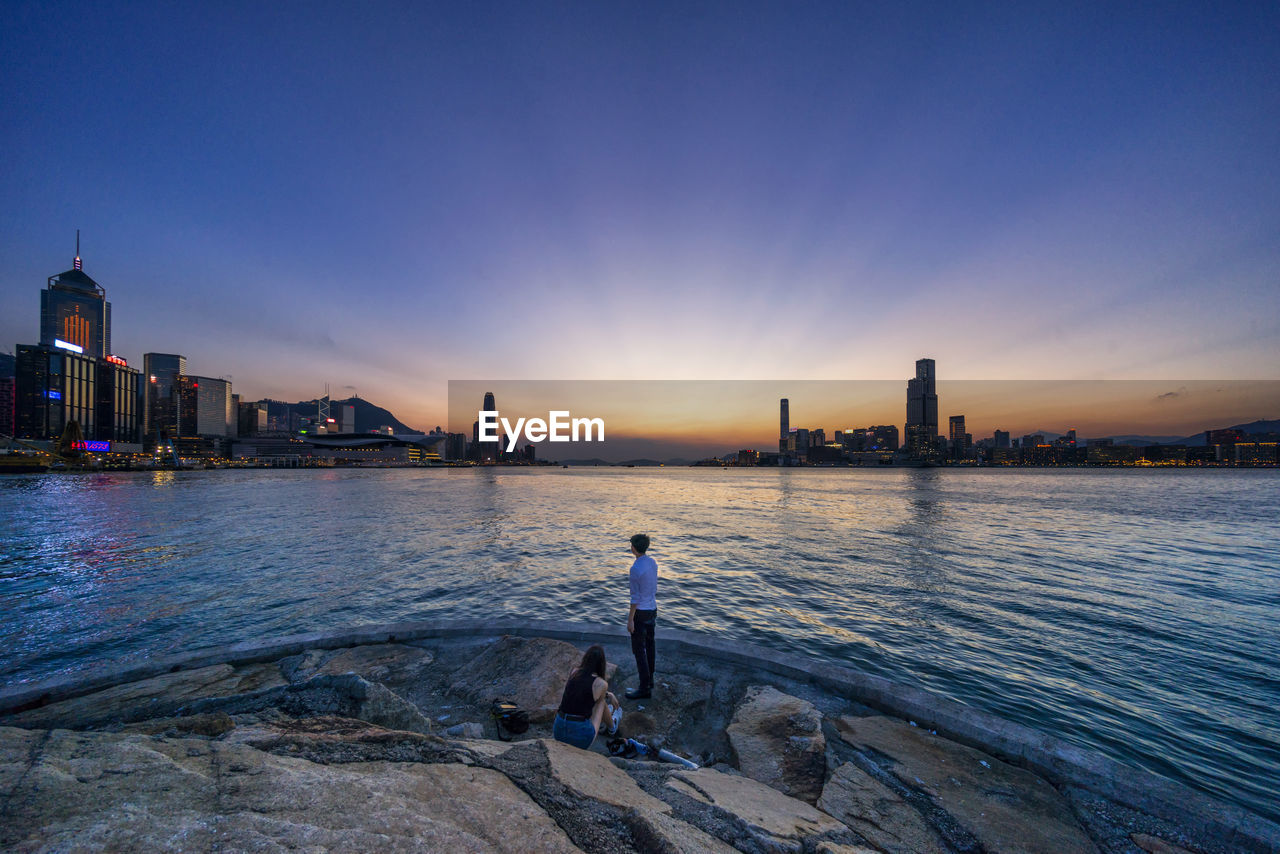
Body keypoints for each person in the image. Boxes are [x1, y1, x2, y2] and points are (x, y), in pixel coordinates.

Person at [552, 644, 621, 749]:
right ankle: (612, 728)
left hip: (559, 732)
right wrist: (609, 695)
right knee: (601, 703)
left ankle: (605, 725)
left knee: (589, 699)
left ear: (586, 658)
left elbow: (582, 690)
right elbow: (600, 698)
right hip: (581, 738)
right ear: (602, 664)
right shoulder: (601, 684)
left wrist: (608, 694)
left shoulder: (574, 672)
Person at [626, 533, 657, 699]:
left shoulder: (635, 569)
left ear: (633, 548)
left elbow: (635, 598)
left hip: (641, 612)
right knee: (650, 646)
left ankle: (644, 688)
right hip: (652, 609)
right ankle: (650, 680)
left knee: (639, 650)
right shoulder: (652, 562)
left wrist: (630, 619)